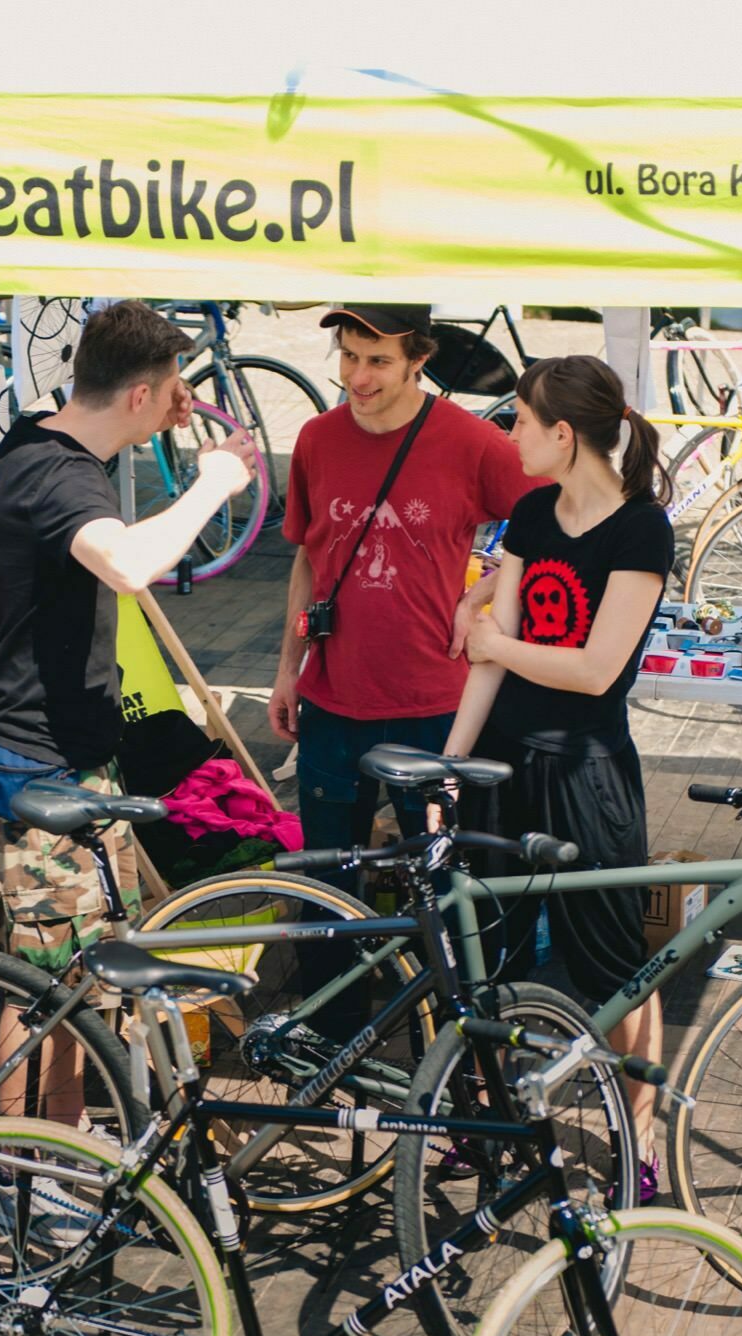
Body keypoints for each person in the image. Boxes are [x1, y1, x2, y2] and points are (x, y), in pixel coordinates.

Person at [0, 299, 255, 1115]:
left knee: (79, 984)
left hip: (73, 759)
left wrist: (170, 414)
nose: (178, 401)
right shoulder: (57, 475)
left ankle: (55, 1153)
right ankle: (20, 1170)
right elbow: (129, 563)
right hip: (41, 765)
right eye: (168, 388)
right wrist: (213, 482)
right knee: (45, 992)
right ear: (137, 394)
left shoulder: (40, 440)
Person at [440, 354, 674, 1195]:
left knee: (616, 968)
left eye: (521, 422)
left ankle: (638, 1146)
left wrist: (495, 641)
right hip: (501, 769)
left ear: (563, 433)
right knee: (485, 960)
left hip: (586, 772)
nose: (510, 436)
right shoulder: (533, 513)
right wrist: (451, 766)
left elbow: (595, 669)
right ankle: (488, 1123)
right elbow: (484, 663)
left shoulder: (640, 530)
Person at [267, 302, 538, 854]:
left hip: (434, 705)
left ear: (419, 360)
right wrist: (287, 672)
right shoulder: (317, 439)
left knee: (439, 880)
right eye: (348, 357)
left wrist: (478, 597)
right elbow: (308, 559)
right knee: (331, 878)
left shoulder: (473, 442)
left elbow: (552, 530)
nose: (358, 378)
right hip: (332, 702)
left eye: (378, 361)